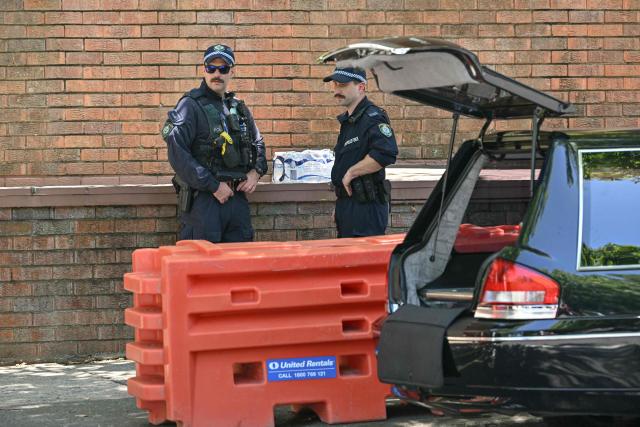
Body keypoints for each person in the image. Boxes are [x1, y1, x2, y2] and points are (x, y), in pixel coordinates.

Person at [161, 44, 267, 242]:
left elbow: (258, 142)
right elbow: (177, 151)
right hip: (205, 202)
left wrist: (256, 172)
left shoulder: (237, 107)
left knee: (239, 266)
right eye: (212, 68)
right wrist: (213, 186)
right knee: (202, 267)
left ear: (232, 72)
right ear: (204, 70)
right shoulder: (190, 105)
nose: (217, 73)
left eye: (223, 68)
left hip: (237, 200)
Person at [324, 67, 398, 238]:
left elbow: (386, 152)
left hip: (366, 208)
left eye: (342, 85)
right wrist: (341, 204)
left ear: (361, 87)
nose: (337, 90)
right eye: (335, 84)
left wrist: (352, 172)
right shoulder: (349, 121)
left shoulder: (373, 117)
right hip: (348, 204)